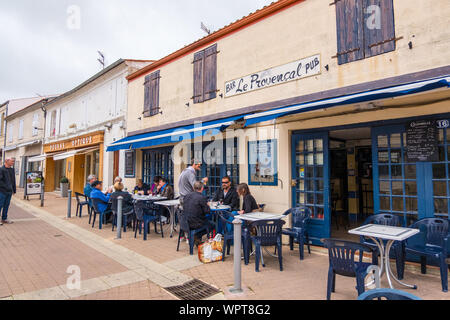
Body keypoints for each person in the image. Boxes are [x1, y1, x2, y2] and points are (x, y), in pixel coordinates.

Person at [0, 158, 16, 225]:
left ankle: (4, 219)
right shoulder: (1, 169)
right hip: (2, 191)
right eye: (12, 161)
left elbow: (13, 180)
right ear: (6, 161)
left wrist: (14, 189)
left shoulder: (12, 170)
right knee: (0, 205)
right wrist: (6, 187)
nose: (13, 162)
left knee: (6, 205)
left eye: (13, 161)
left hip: (9, 191)